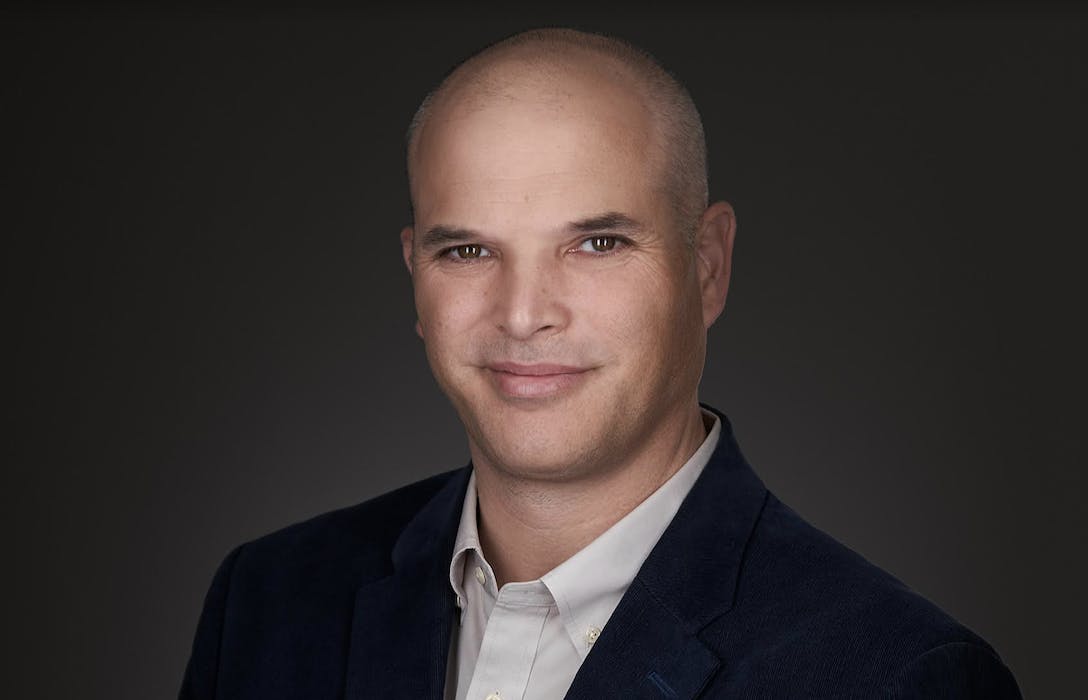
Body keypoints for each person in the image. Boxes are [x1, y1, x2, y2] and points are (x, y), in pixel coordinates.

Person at [179, 28, 1021, 699]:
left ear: (707, 267)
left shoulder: (896, 676)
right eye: (468, 250)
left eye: (598, 243)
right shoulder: (268, 601)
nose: (523, 313)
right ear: (415, 276)